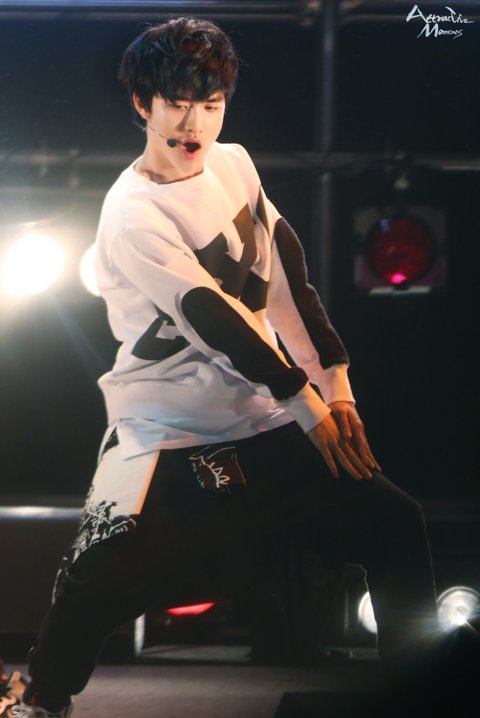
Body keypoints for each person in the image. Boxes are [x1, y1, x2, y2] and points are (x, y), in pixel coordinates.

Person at [9, 17, 445, 718]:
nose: (194, 124)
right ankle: (41, 696)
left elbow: (288, 281)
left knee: (394, 522)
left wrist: (336, 389)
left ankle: (422, 693)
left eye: (209, 104)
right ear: (143, 105)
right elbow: (210, 317)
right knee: (99, 573)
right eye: (177, 104)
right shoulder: (132, 213)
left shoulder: (234, 164)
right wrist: (306, 403)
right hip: (166, 427)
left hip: (261, 412)